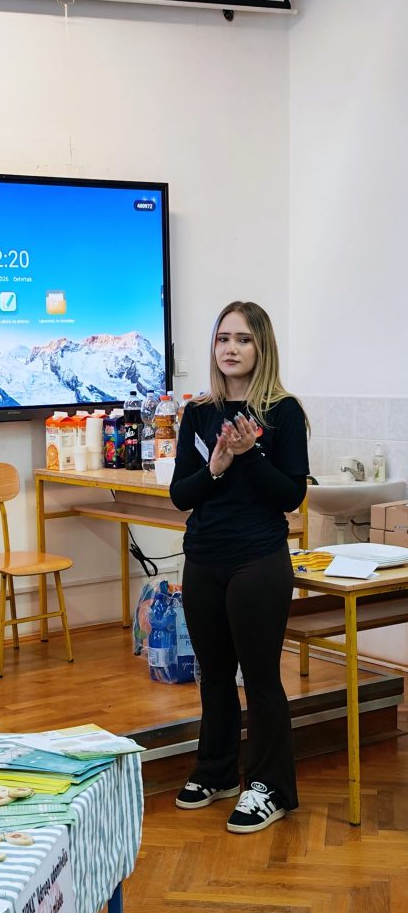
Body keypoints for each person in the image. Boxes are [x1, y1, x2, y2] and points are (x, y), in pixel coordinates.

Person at [169, 301, 308, 834]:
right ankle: (217, 771)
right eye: (223, 338)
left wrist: (250, 455)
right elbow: (182, 495)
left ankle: (270, 786)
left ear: (261, 347)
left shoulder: (283, 412)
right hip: (204, 558)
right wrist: (216, 467)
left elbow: (290, 495)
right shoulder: (199, 412)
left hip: (258, 559)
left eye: (243, 339)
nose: (230, 348)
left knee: (261, 677)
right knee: (214, 675)